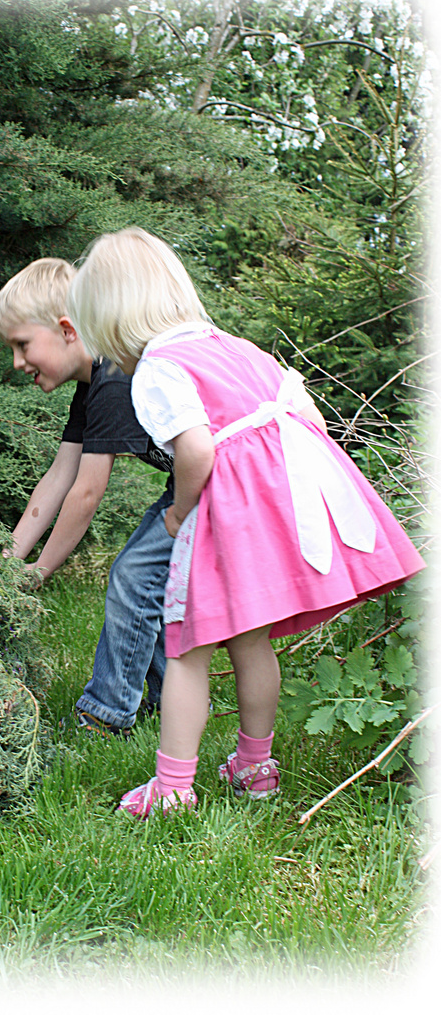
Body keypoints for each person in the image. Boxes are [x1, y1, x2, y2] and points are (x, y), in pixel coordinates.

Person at [67, 227, 426, 816]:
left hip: (226, 509)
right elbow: (305, 415)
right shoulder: (237, 347)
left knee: (187, 648)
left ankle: (173, 789)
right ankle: (256, 767)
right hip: (279, 499)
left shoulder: (159, 365)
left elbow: (198, 451)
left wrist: (181, 514)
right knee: (252, 640)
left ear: (109, 318)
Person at [0, 257, 179, 736]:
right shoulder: (92, 383)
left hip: (229, 480)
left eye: (22, 344)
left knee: (135, 574)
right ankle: (157, 700)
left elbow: (87, 492)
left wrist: (41, 571)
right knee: (152, 580)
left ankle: (106, 713)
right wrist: (9, 562)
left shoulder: (115, 376)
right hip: (198, 485)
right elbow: (59, 477)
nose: (17, 362)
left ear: (67, 329)